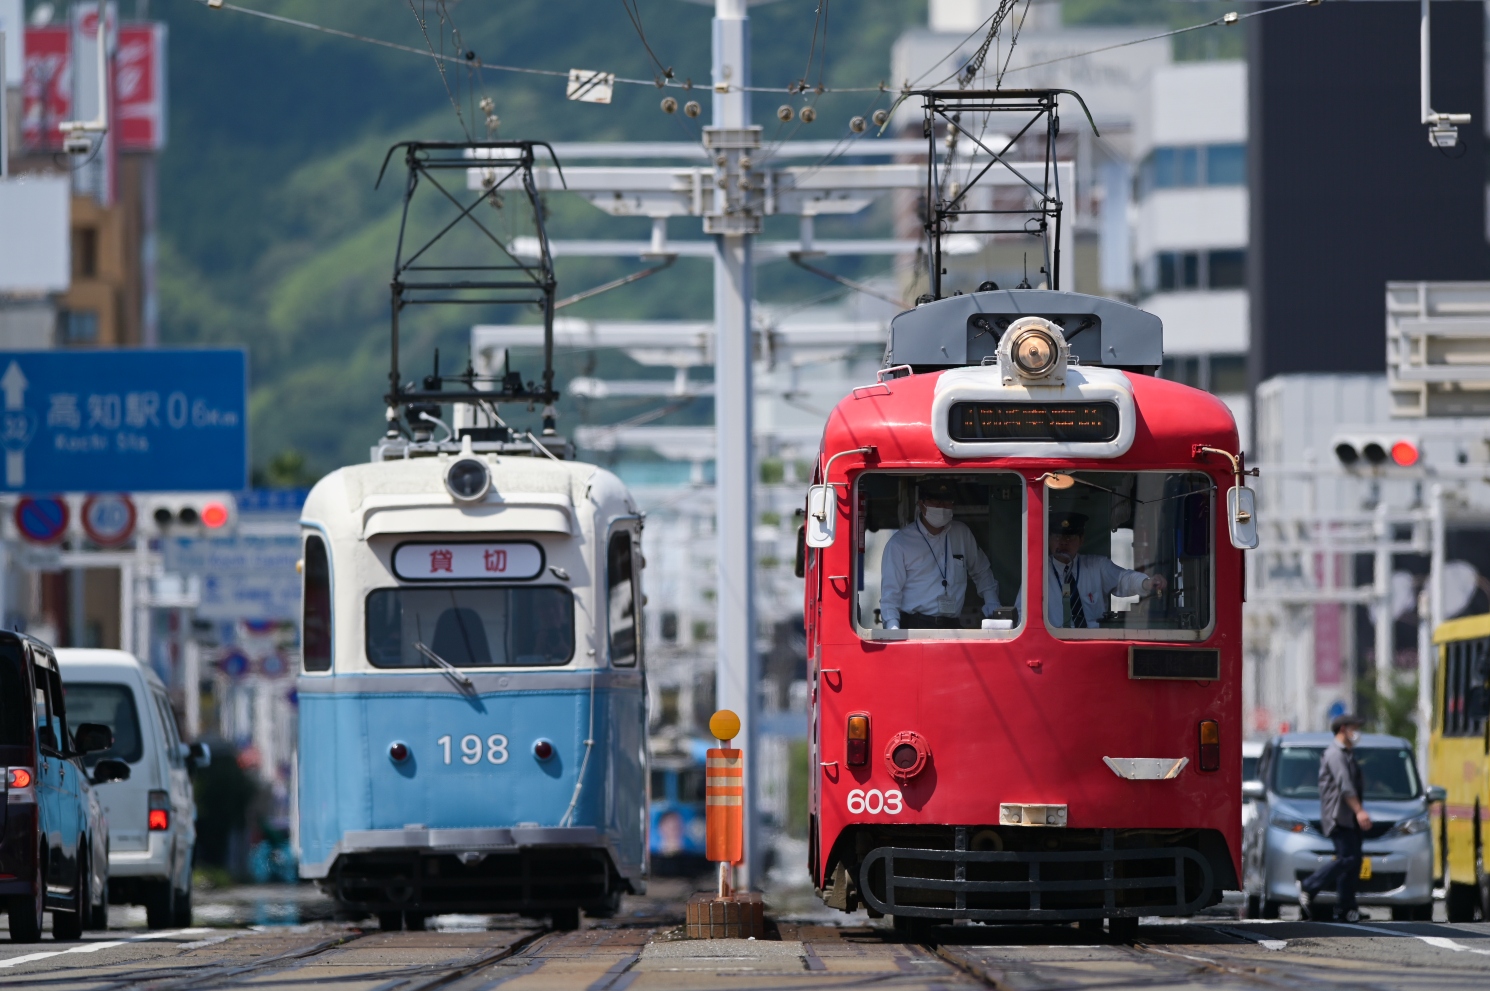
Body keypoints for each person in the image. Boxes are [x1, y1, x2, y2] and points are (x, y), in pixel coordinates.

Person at [879, 482, 1000, 630]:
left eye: (947, 502)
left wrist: (992, 602)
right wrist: (893, 629)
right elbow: (890, 594)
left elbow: (981, 570)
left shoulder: (961, 533)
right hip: (915, 626)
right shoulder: (899, 543)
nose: (942, 507)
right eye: (936, 502)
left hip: (952, 625)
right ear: (921, 504)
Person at [1298, 714, 1369, 922]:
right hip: (1339, 815)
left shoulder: (1347, 754)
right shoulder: (1335, 755)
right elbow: (1345, 786)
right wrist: (1359, 811)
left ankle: (1347, 908)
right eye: (1355, 727)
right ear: (1343, 728)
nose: (1357, 732)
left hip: (1347, 816)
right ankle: (1309, 885)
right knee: (1348, 858)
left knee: (1353, 861)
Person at [1046, 512, 1167, 628]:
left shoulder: (1097, 566)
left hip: (1093, 641)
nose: (1063, 543)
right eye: (1057, 537)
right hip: (1053, 640)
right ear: (1048, 539)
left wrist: (1146, 583)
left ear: (1081, 540)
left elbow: (1123, 579)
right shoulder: (1040, 570)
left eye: (1070, 538)